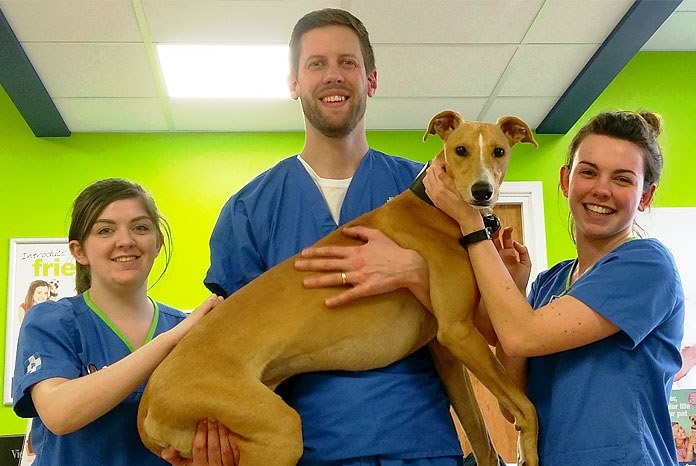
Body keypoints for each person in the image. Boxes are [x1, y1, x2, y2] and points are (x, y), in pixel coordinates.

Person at [204, 8, 464, 466]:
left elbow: (473, 325)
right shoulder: (249, 211)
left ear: (372, 80)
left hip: (419, 444)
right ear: (293, 84)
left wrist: (414, 271)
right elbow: (232, 350)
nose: (333, 76)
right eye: (316, 64)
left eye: (348, 63)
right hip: (306, 449)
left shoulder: (430, 191)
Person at [420, 110, 684, 465]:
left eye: (622, 179)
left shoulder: (647, 265)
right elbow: (511, 405)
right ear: (565, 181)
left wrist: (471, 221)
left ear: (646, 195)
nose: (601, 190)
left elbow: (520, 335)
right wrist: (513, 285)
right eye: (588, 172)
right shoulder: (551, 283)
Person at [12, 178, 235, 466]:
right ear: (79, 251)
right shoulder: (51, 321)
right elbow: (59, 413)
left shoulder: (191, 329)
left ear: (158, 243)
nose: (126, 240)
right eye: (105, 230)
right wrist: (171, 340)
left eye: (140, 227)